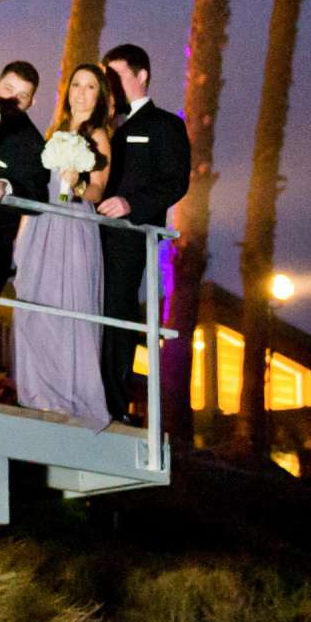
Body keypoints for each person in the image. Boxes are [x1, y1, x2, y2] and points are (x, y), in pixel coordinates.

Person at [12, 63, 115, 428]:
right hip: (44, 222)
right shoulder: (54, 131)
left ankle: (68, 393)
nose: (81, 93)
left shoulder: (99, 135)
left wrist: (78, 185)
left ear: (99, 95)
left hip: (73, 224)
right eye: (76, 85)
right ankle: (37, 391)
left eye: (90, 87)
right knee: (36, 301)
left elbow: (99, 189)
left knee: (67, 303)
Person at [96, 43, 191, 423]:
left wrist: (131, 204)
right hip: (87, 232)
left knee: (117, 311)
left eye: (116, 76)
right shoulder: (100, 124)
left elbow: (174, 182)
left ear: (141, 76)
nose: (110, 85)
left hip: (128, 236)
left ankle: (112, 403)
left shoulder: (165, 125)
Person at [0, 60, 47, 397]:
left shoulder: (33, 143)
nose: (13, 100)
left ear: (31, 102)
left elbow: (37, 191)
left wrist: (5, 183)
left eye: (23, 96)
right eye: (8, 90)